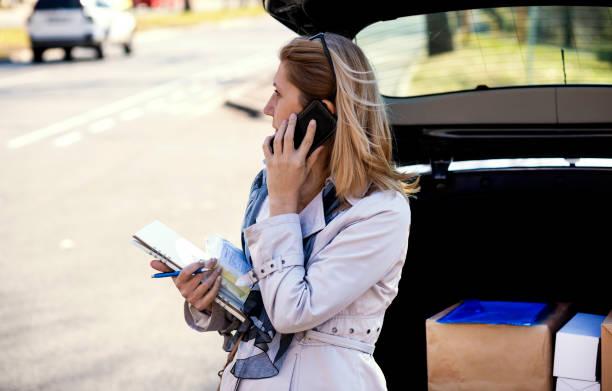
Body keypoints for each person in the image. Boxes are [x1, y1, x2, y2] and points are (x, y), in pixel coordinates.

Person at [151, 32, 420, 391]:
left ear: (319, 116)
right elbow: (260, 303)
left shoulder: (380, 211)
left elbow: (292, 312)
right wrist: (209, 300)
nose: (266, 108)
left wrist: (282, 205)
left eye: (278, 93)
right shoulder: (272, 182)